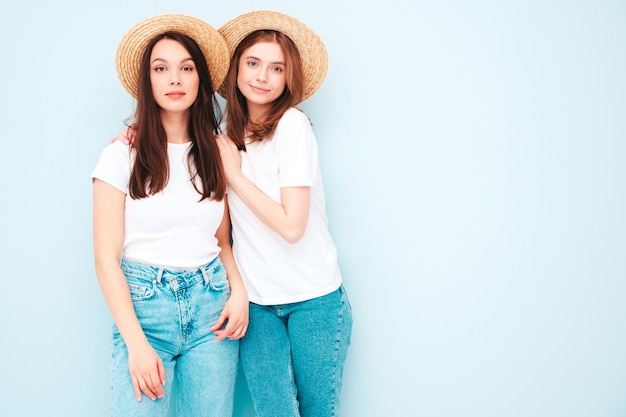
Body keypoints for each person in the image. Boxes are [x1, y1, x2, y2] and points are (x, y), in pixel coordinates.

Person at [91, 14, 248, 417]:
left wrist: (239, 292)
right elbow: (106, 260)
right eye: (161, 69)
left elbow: (222, 240)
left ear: (200, 80)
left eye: (186, 68)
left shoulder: (217, 152)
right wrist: (136, 344)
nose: (174, 79)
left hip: (212, 310)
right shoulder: (120, 154)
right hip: (146, 312)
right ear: (149, 82)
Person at [215, 10, 353, 417]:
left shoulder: (292, 126)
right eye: (253, 63)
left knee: (316, 411)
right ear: (237, 68)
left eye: (276, 68)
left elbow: (293, 226)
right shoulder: (225, 131)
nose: (262, 76)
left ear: (287, 78)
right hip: (257, 303)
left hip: (314, 298)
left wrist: (235, 177)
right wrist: (132, 131)